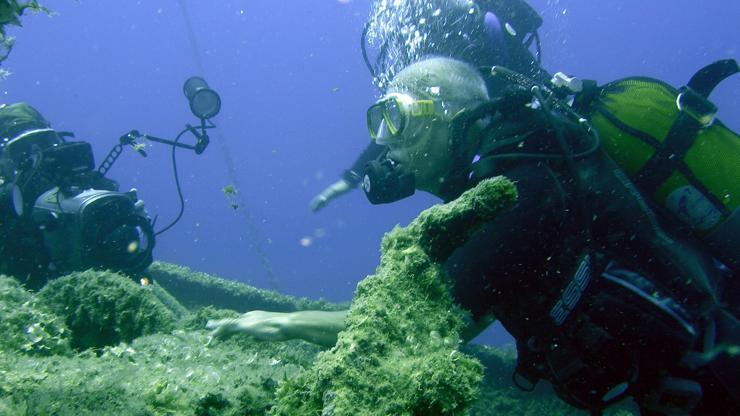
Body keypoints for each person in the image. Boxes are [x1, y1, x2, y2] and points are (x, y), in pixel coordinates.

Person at [209, 57, 739, 415]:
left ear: (448, 117)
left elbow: (424, 325)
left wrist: (284, 322)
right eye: (379, 123)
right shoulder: (505, 179)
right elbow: (473, 302)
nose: (386, 145)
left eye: (396, 119)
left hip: (714, 373)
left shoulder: (518, 189)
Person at [310, 0, 548, 212]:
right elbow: (401, 121)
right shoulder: (415, 44)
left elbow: (541, 86)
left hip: (508, 132)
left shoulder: (485, 26)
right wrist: (354, 174)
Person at [0, 102, 155, 289]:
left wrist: (129, 232)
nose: (37, 158)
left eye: (45, 144)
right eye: (22, 153)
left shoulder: (90, 188)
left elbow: (133, 272)